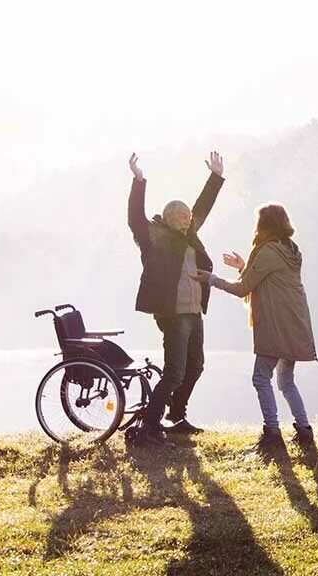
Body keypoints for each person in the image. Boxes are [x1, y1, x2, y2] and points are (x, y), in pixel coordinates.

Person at [123, 151, 225, 433]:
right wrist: (139, 181)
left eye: (188, 215)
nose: (187, 218)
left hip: (193, 313)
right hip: (173, 314)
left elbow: (203, 206)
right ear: (167, 218)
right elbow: (134, 218)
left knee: (196, 368)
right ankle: (151, 424)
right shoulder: (154, 236)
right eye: (181, 215)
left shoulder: (190, 235)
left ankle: (177, 416)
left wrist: (215, 177)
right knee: (175, 372)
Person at [203, 203, 318, 440]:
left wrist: (212, 279)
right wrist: (244, 267)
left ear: (263, 226)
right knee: (286, 380)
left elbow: (244, 288)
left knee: (260, 377)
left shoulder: (268, 252)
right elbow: (265, 279)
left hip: (276, 324)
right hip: (295, 323)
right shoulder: (291, 250)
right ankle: (304, 429)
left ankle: (272, 430)